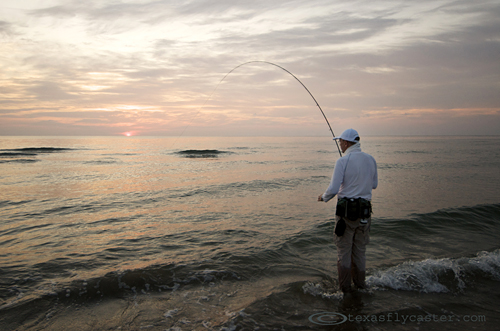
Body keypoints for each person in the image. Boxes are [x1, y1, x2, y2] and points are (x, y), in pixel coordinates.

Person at [318, 128, 378, 293]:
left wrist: (323, 197)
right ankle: (361, 286)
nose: (340, 144)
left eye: (340, 141)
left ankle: (344, 289)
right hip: (364, 214)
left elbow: (334, 188)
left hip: (345, 215)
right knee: (360, 251)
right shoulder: (371, 159)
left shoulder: (342, 161)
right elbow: (374, 185)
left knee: (344, 251)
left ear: (345, 142)